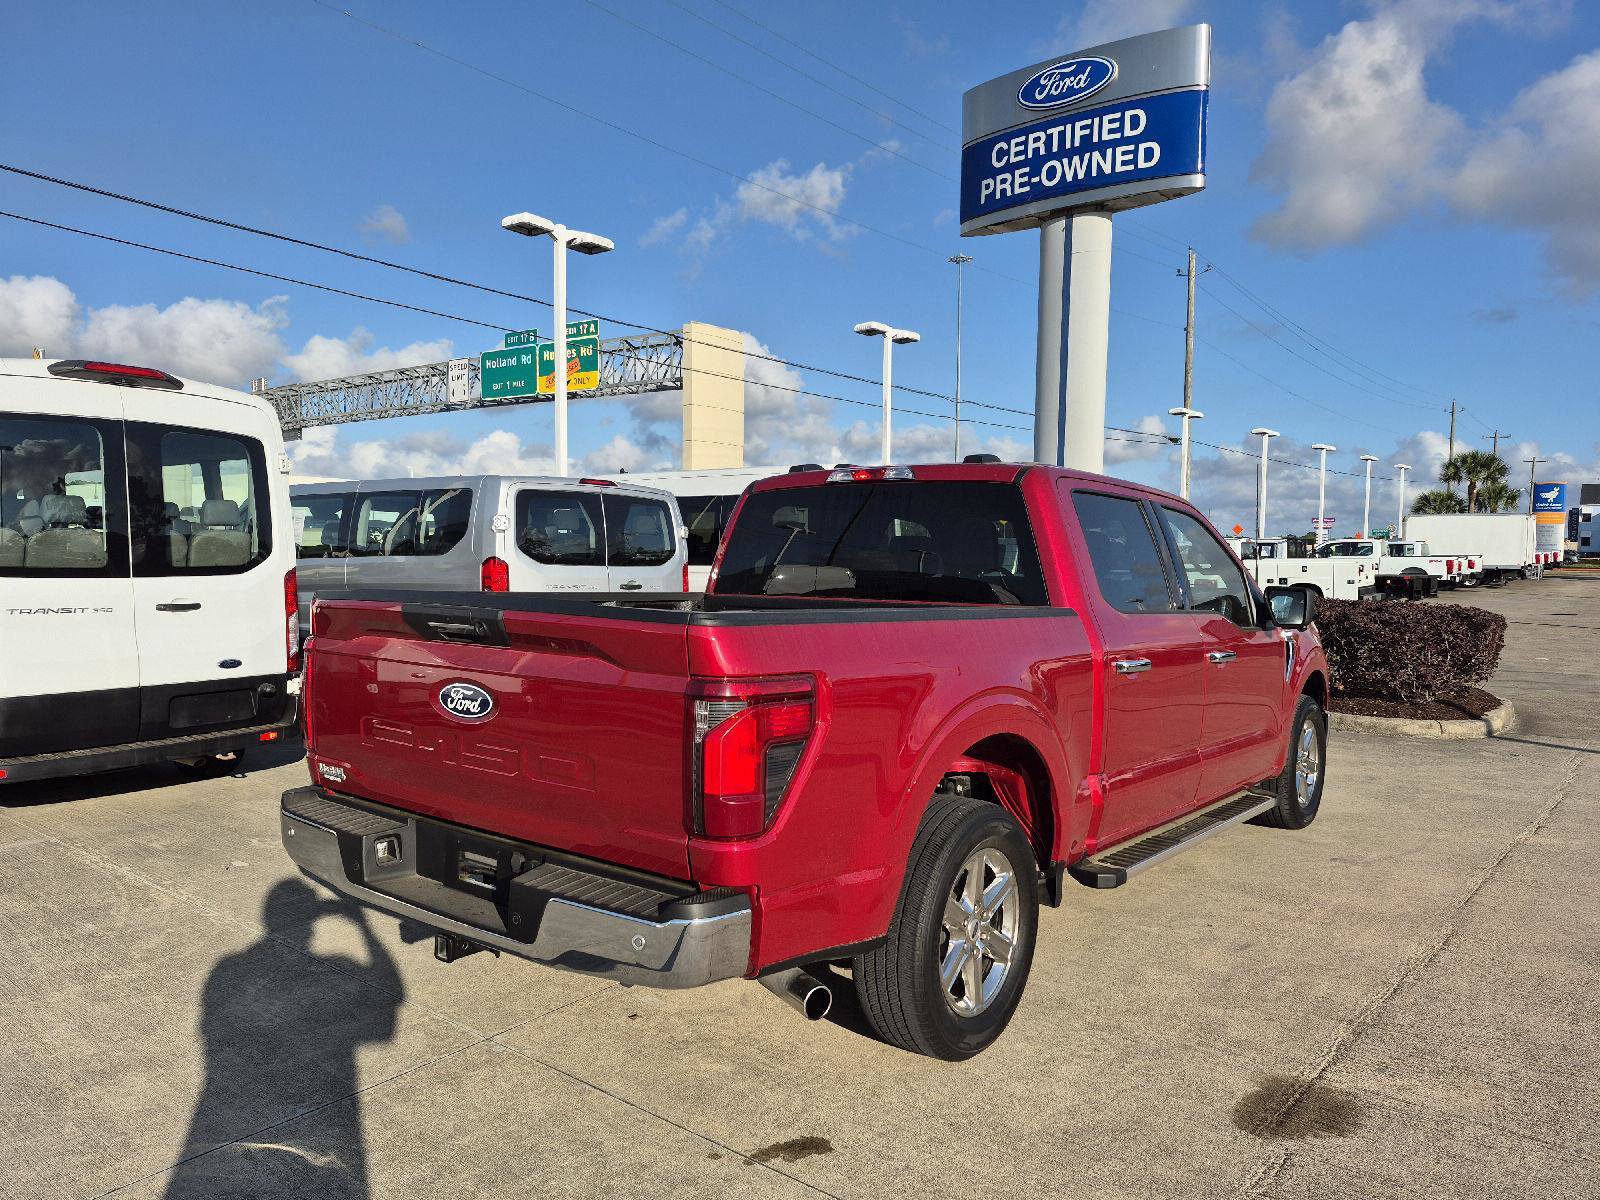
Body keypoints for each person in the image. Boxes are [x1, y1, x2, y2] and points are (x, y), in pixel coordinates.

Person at [161, 879, 403, 1198]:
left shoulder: (230, 970)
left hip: (231, 1115)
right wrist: (361, 925)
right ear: (312, 922)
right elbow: (390, 999)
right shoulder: (334, 970)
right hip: (320, 1124)